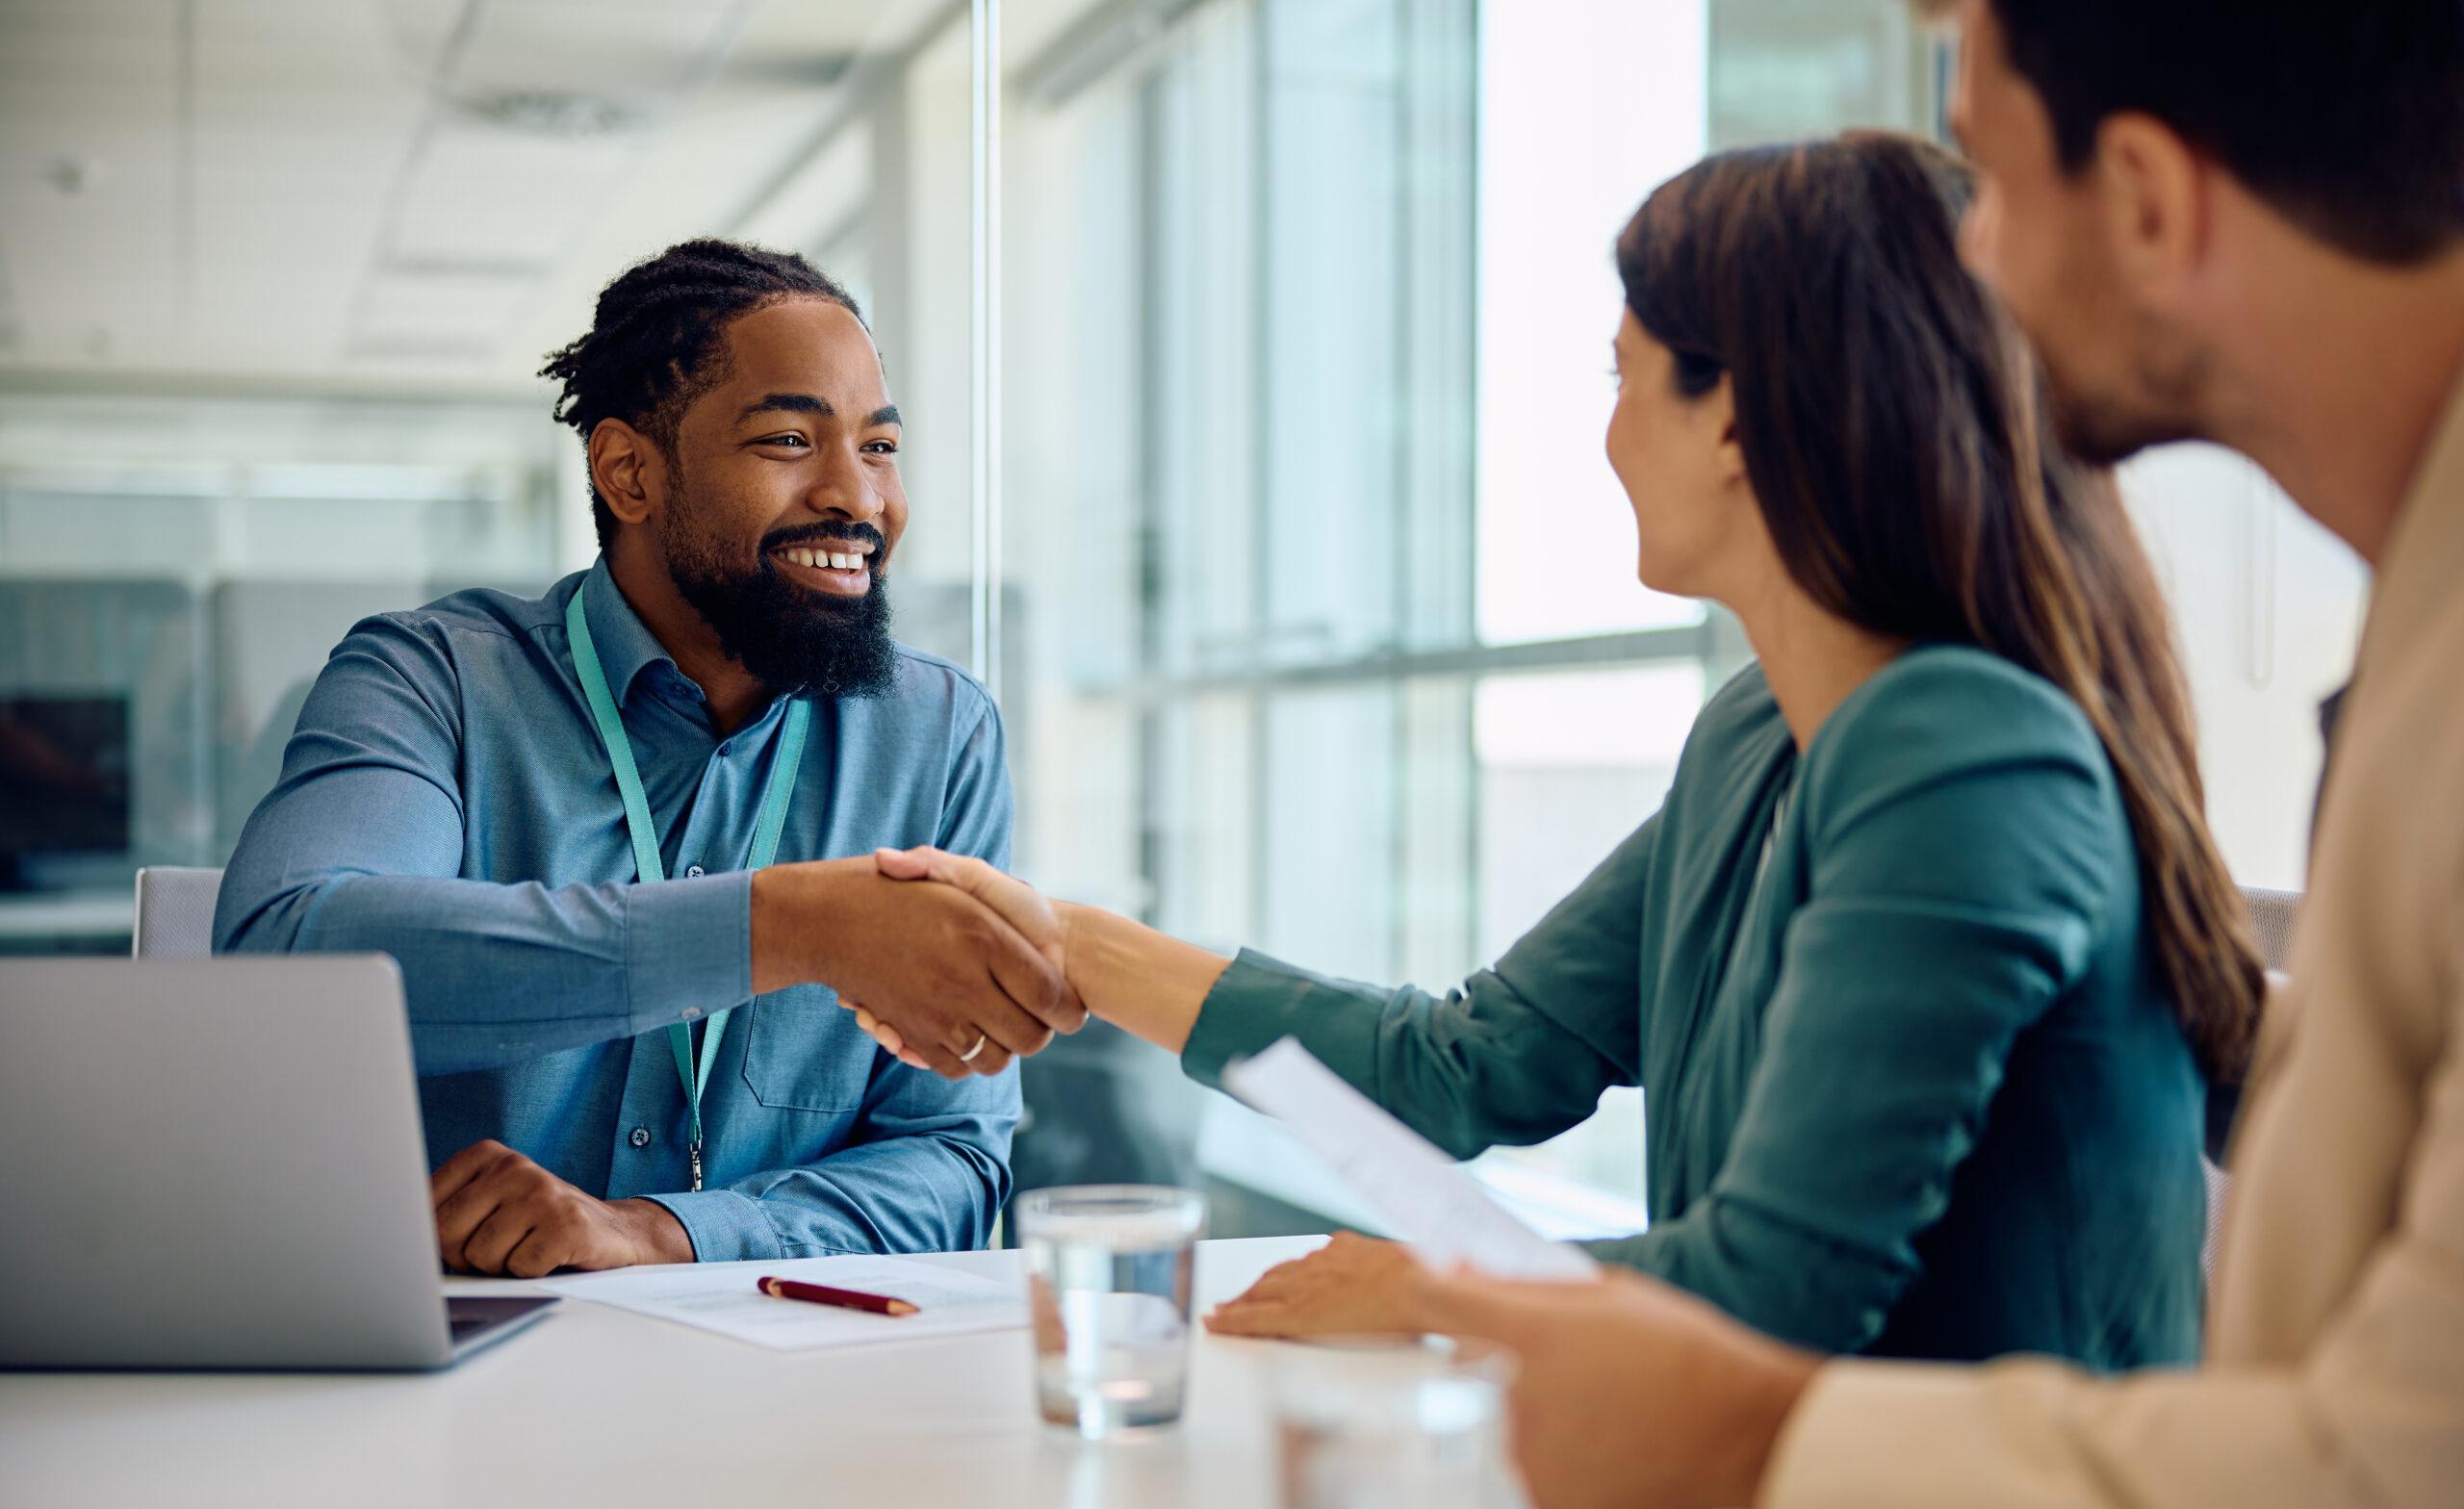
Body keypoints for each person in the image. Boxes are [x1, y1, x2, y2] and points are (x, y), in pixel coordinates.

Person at [1321, 3, 2464, 1509]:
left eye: (1987, 186)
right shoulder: (2405, 638)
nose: (1963, 268)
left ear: (2146, 197)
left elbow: (2410, 1496)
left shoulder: (1971, 737)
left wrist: (1734, 1426)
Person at [847, 133, 2261, 1372]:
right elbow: (1467, 1065)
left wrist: (1434, 1289)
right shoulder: (1759, 736)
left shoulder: (1963, 746)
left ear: (1739, 419)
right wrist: (1064, 941)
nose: (1603, 432)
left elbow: (1780, 1290)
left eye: (1623, 375)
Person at [216, 240, 1084, 1279]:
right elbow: (287, 950)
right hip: (447, 1353)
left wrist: (662, 1233)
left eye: (881, 447)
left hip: (787, 1369)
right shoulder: (433, 679)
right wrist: (791, 924)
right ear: (630, 472)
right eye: (789, 440)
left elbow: (949, 1157)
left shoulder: (939, 737)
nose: (858, 499)